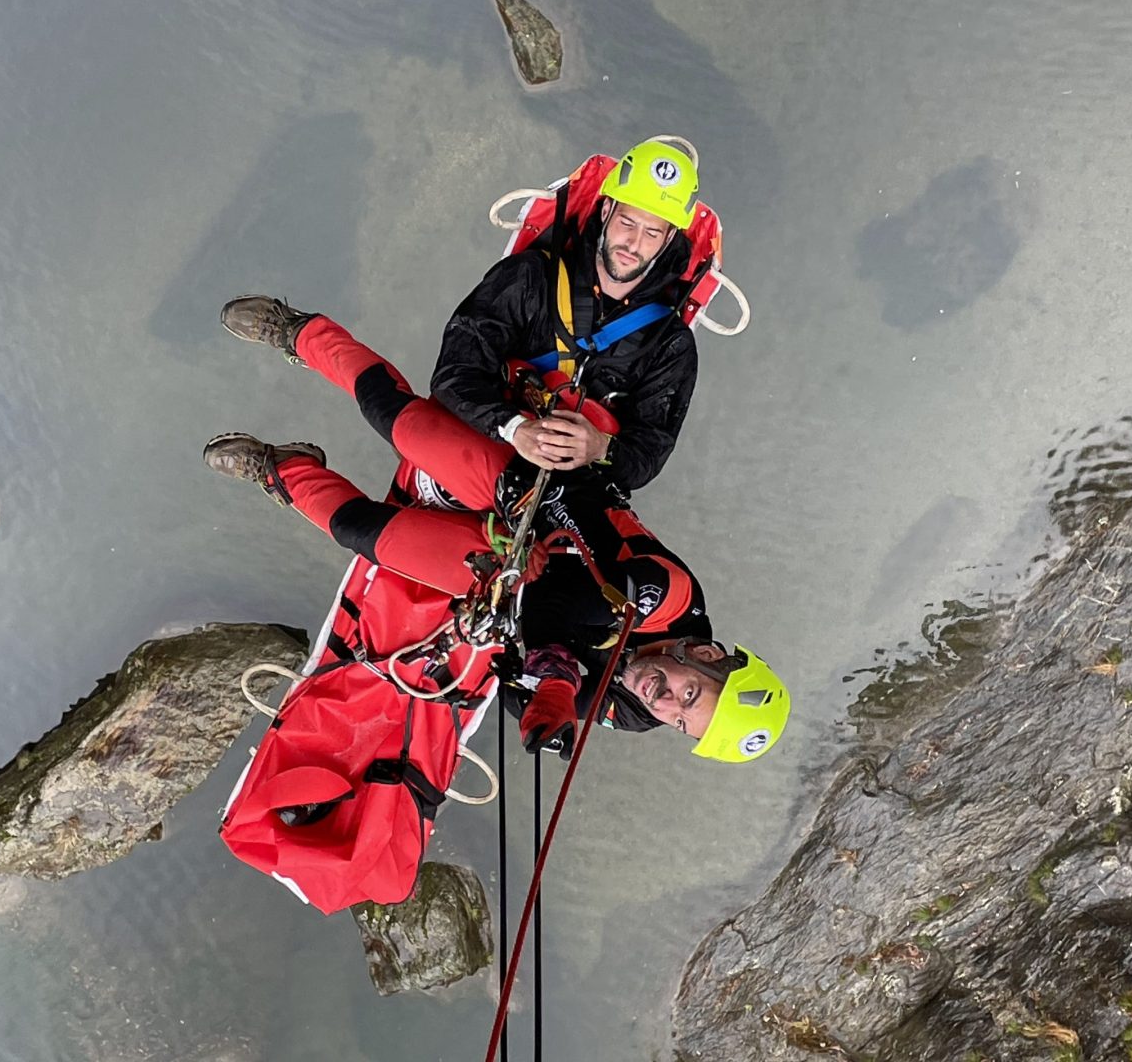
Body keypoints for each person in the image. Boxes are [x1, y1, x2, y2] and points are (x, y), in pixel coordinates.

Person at [211, 296, 789, 765]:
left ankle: (281, 467)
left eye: (683, 722)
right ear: (707, 653)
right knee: (398, 421)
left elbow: (520, 685)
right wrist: (556, 679)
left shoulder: (635, 712)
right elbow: (566, 598)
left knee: (361, 532)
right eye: (691, 693)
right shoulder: (669, 597)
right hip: (539, 494)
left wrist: (541, 696)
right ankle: (303, 333)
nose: (665, 702)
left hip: (506, 571)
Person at [430, 139, 706, 493]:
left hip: (569, 490)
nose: (633, 244)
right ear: (606, 210)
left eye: (652, 232)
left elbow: (649, 453)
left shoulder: (670, 344)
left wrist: (600, 448)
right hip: (479, 448)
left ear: (669, 239)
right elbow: (454, 372)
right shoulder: (528, 278)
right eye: (627, 222)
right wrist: (514, 427)